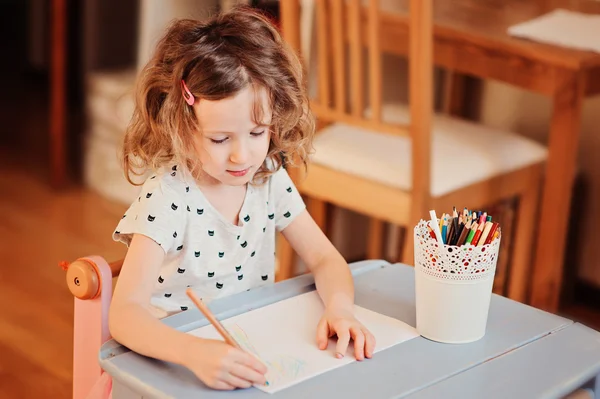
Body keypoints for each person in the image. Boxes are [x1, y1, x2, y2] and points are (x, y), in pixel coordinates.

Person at [109, 6, 375, 391]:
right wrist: (193, 352)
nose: (242, 156)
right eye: (220, 139)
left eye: (257, 132)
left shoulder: (268, 179)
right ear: (182, 128)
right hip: (172, 364)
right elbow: (125, 314)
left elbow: (325, 258)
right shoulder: (167, 199)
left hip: (246, 346)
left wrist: (340, 309)